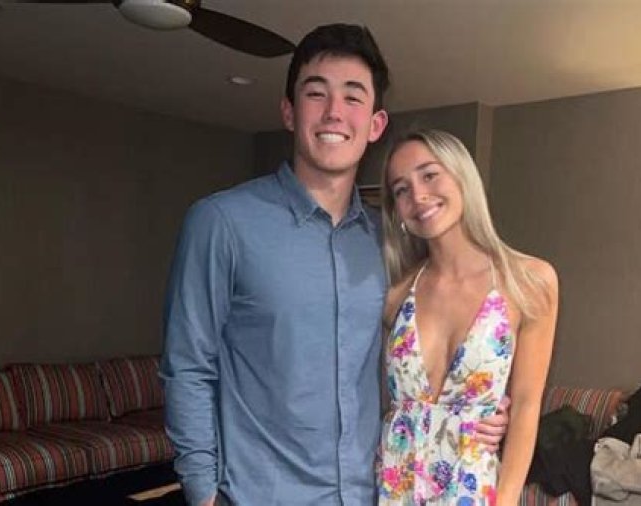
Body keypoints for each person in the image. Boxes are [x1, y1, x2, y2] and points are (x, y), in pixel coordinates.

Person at [161, 25, 508, 506]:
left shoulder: (392, 244)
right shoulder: (221, 222)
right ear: (289, 112)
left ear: (375, 124)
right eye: (316, 93)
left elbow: (423, 350)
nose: (333, 112)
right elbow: (187, 366)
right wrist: (203, 494)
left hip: (371, 494)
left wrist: (477, 408)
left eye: (352, 96)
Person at [376, 129, 558, 505]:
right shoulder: (395, 296)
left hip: (474, 491)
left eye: (430, 175)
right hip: (396, 489)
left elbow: (527, 403)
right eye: (402, 190)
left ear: (462, 176)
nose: (418, 196)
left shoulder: (528, 281)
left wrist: (505, 498)